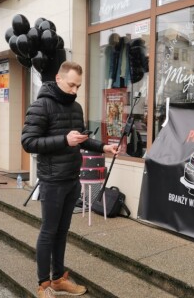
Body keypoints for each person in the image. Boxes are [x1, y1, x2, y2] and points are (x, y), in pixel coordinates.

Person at [21, 61, 118, 298]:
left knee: (62, 232)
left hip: (72, 178)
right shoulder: (40, 105)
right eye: (72, 85)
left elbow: (82, 139)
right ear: (59, 79)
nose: (75, 90)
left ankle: (58, 278)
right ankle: (43, 285)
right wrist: (64, 140)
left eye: (79, 86)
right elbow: (28, 142)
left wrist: (103, 146)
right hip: (52, 180)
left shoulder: (76, 108)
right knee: (49, 231)